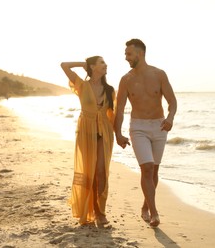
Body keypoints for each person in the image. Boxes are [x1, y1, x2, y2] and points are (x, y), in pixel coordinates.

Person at [114, 39, 177, 227]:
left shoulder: (159, 75)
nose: (126, 58)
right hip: (138, 127)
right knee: (147, 168)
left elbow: (172, 102)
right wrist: (118, 133)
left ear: (140, 54)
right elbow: (119, 110)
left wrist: (170, 118)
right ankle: (154, 213)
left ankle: (145, 206)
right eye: (126, 54)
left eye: (129, 54)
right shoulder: (126, 80)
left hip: (159, 126)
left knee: (154, 170)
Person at [61, 56, 115, 226]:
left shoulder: (110, 89)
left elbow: (111, 115)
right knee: (90, 171)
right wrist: (82, 64)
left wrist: (118, 134)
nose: (105, 65)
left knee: (101, 171)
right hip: (86, 130)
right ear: (92, 66)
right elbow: (64, 65)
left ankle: (101, 209)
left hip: (104, 131)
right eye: (102, 62)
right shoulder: (82, 85)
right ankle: (96, 212)